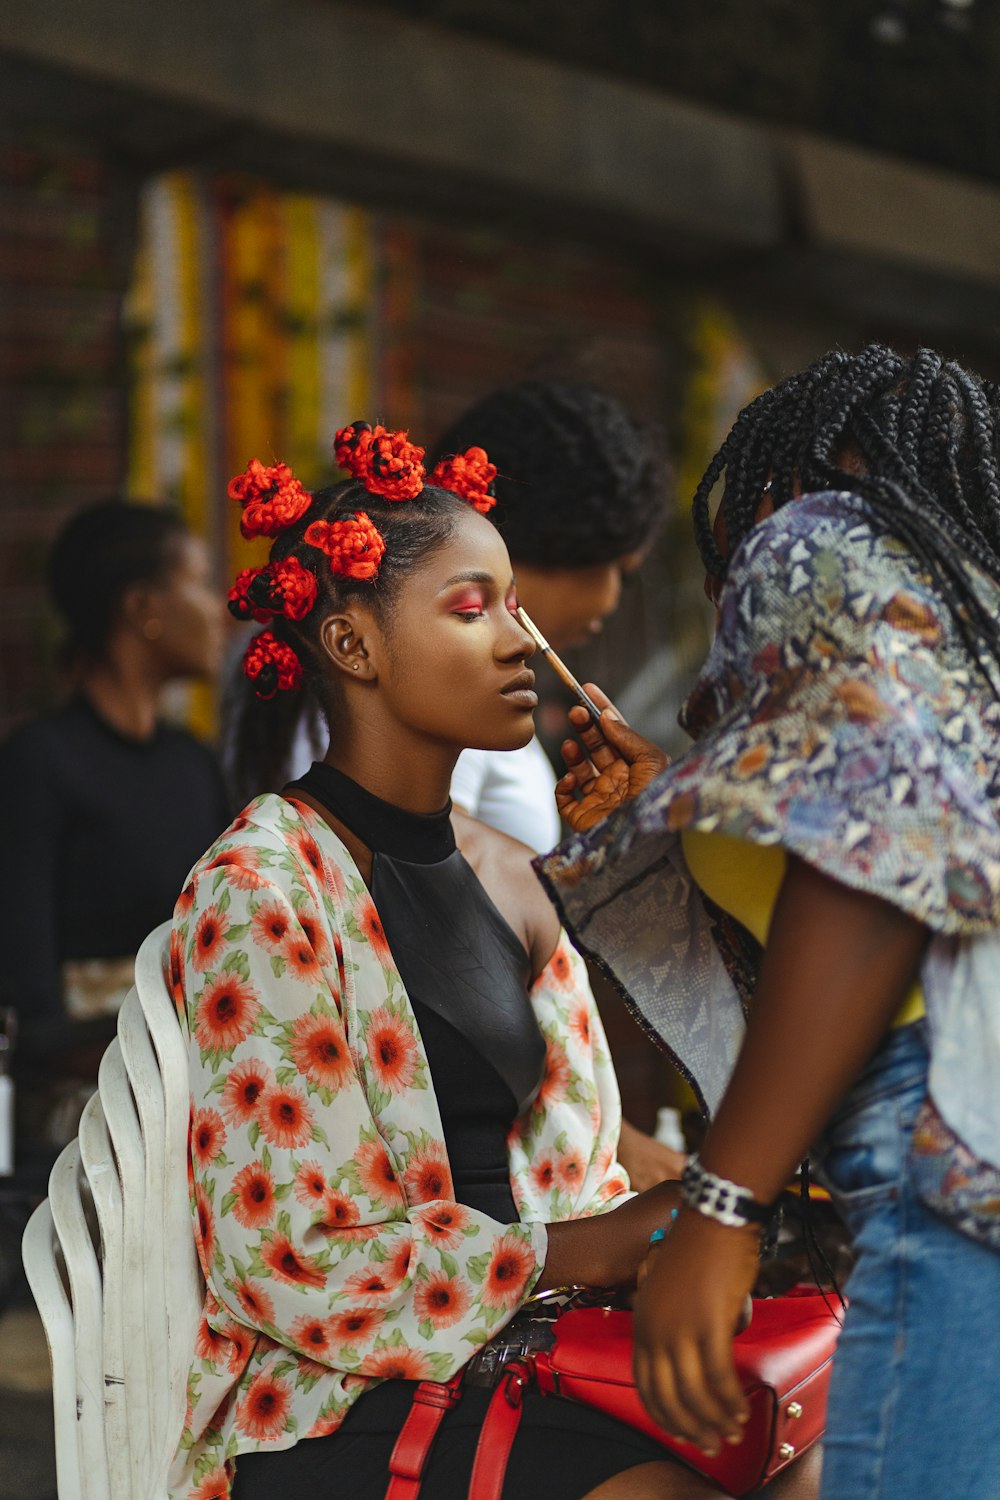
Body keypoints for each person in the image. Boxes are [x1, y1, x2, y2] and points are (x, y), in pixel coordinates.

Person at [170, 429, 819, 1500]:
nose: (520, 640)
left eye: (517, 604)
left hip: (529, 1351)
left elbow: (702, 1087)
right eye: (473, 608)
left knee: (793, 1452)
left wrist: (646, 865)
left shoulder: (518, 870)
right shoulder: (263, 883)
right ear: (352, 644)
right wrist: (579, 1254)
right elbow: (286, 1256)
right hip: (337, 1393)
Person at [540, 345, 1000, 1500]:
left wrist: (719, 1202)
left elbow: (867, 879)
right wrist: (684, 813)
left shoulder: (815, 537)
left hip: (941, 1165)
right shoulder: (966, 619)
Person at [432, 380, 684, 1190]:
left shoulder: (488, 722)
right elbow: (434, 955)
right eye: (621, 570)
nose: (611, 606)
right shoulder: (423, 724)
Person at [0, 499, 228, 1151]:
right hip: (90, 1106)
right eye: (199, 581)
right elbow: (28, 995)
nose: (219, 608)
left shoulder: (196, 764)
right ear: (142, 607)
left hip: (198, 1069)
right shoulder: (39, 764)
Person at [431, 378, 665, 855]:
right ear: (571, 541)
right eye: (623, 571)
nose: (614, 599)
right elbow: (427, 888)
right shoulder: (445, 693)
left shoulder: (470, 692)